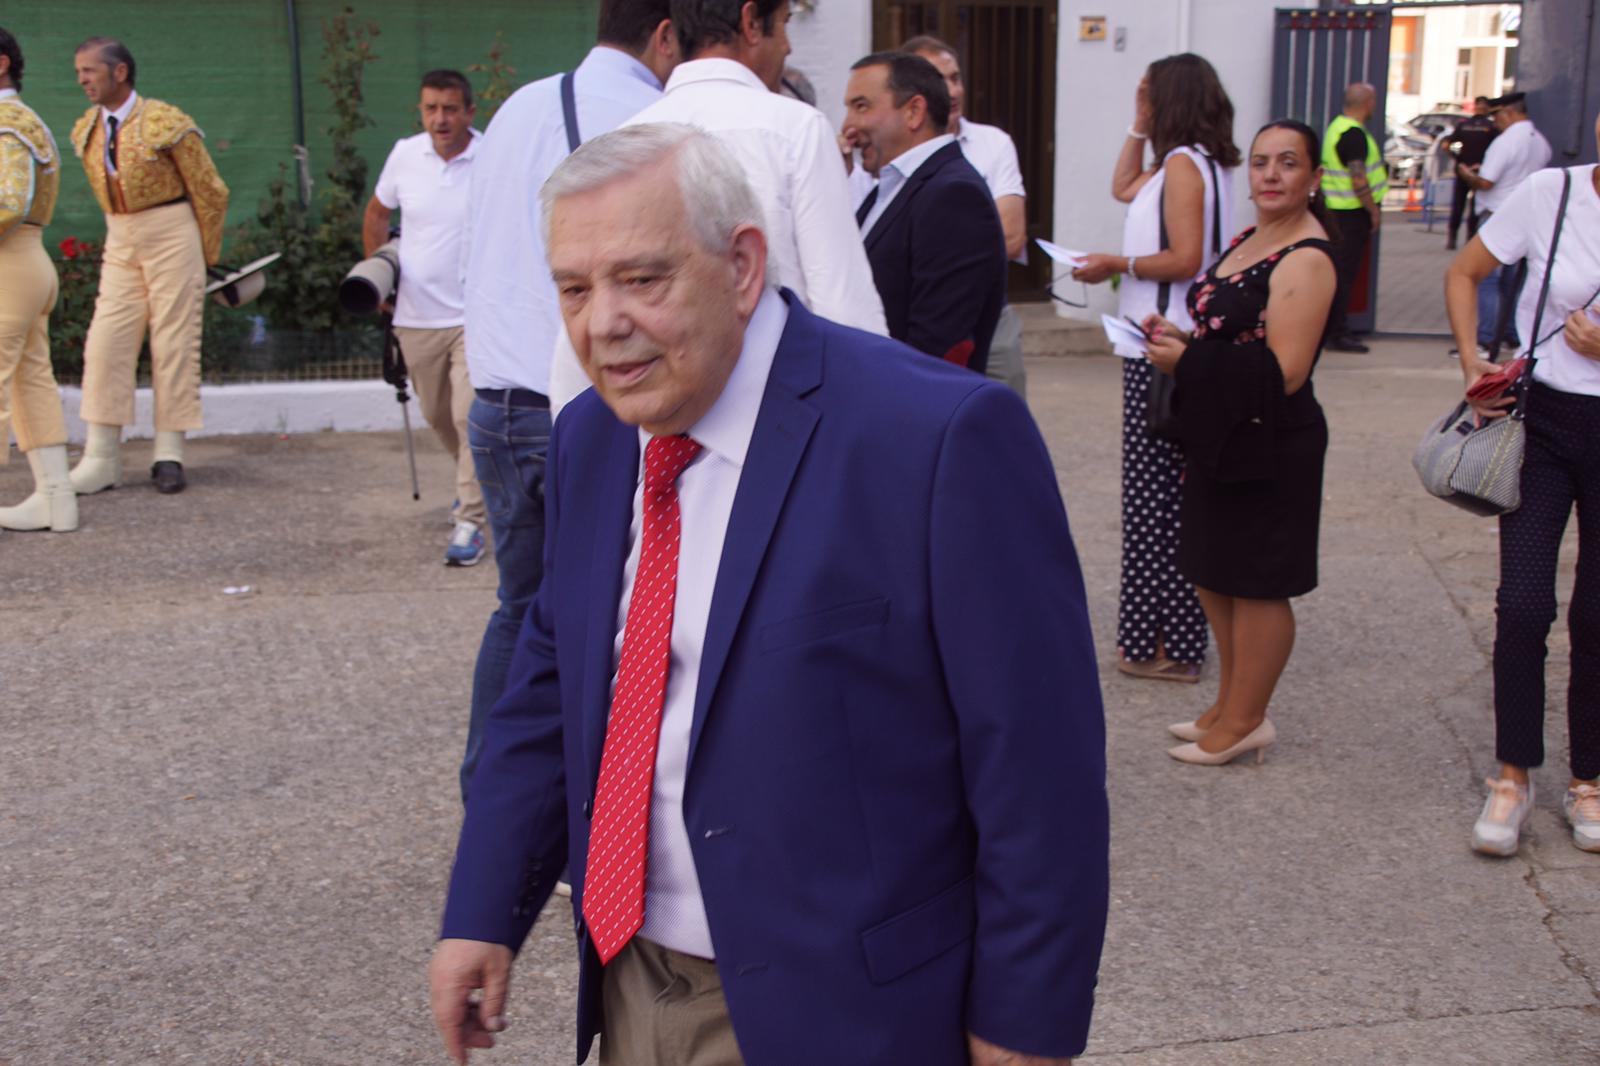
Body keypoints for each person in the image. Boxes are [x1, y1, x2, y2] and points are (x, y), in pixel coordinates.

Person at [428, 123, 1107, 1066]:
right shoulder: (592, 439)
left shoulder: (935, 440)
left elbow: (1039, 777)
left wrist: (1022, 1033)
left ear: (743, 266)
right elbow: (551, 687)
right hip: (629, 984)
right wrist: (484, 908)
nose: (602, 324)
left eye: (643, 278)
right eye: (575, 290)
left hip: (850, 1017)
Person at [455, 0, 678, 802]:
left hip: (494, 401)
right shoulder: (651, 117)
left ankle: (493, 800)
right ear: (662, 36)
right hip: (580, 406)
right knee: (604, 621)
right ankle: (582, 811)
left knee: (522, 610)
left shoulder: (517, 107)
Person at [548, 0, 887, 410]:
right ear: (750, 23)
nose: (788, 47)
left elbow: (586, 311)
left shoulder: (626, 136)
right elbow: (843, 304)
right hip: (779, 412)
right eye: (783, 25)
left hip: (659, 417)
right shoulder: (795, 129)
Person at [1142, 119, 1338, 765]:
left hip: (1273, 439)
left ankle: (1249, 719)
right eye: (1261, 163)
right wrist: (1182, 340)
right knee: (1214, 571)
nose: (1272, 175)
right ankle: (1229, 704)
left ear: (1312, 177)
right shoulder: (1252, 238)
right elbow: (1225, 332)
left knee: (1256, 582)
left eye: (1288, 163)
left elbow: (1285, 371)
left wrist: (1188, 364)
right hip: (1222, 428)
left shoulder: (1306, 256)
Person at [1444, 107, 1600, 857]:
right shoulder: (1552, 193)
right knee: (1525, 603)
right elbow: (1466, 269)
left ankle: (1591, 779)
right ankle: (1513, 774)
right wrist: (1473, 357)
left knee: (1599, 614)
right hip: (1542, 422)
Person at [1070, 54, 1238, 685]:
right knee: (1168, 498)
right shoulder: (1193, 164)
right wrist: (1138, 123)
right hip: (1163, 344)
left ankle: (1162, 647)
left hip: (1163, 347)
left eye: (1149, 96)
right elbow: (1122, 186)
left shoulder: (1184, 168)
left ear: (1171, 98)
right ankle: (1165, 639)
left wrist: (1118, 262)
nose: (1142, 102)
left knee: (1155, 503)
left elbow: (1186, 256)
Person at [66, 37, 228, 496]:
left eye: (89, 71)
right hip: (120, 234)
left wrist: (206, 252)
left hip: (171, 230)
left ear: (119, 73)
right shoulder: (87, 129)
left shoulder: (165, 121)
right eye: (79, 72)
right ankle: (101, 457)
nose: (81, 80)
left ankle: (168, 453)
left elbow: (209, 188)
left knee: (173, 340)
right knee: (105, 340)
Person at [364, 70, 486, 566]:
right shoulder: (404, 155)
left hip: (474, 315)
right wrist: (379, 275)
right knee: (438, 416)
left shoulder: (491, 155)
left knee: (468, 415)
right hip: (414, 315)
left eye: (451, 108)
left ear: (469, 113)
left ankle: (470, 522)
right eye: (431, 108)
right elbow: (376, 213)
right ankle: (475, 484)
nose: (441, 118)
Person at [842, 52, 1006, 373]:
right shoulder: (889, 188)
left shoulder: (953, 195)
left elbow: (939, 348)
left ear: (914, 112)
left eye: (861, 106)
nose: (848, 126)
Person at [898, 34, 1030, 398]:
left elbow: (1013, 236)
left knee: (1004, 422)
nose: (953, 91)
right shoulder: (885, 158)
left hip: (991, 316)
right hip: (918, 320)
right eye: (942, 80)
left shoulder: (994, 143)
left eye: (957, 78)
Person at [0, 27, 76, 534]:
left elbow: (9, 202)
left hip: (9, 263)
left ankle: (56, 499)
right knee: (31, 383)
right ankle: (56, 501)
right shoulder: (26, 120)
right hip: (28, 262)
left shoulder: (7, 121)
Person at [1457, 92, 1552, 358]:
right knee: (1514, 282)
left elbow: (1487, 182)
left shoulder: (1506, 141)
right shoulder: (1539, 142)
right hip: (1528, 219)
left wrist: (1467, 175)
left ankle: (1486, 340)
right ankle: (1510, 334)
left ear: (1508, 113)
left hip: (1498, 216)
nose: (1494, 122)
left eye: (1496, 116)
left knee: (1486, 279)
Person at [1319, 83, 1385, 354]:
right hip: (1349, 214)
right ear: (1368, 102)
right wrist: (1373, 210)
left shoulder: (1337, 128)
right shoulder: (1353, 134)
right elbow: (1358, 178)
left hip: (1338, 212)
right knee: (1343, 276)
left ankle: (1333, 330)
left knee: (1338, 273)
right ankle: (1339, 333)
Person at [1445, 96, 1497, 251]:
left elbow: (1446, 145)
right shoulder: (1491, 127)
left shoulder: (1463, 125)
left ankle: (1452, 239)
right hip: (1479, 171)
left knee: (1458, 204)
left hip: (1462, 170)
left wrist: (1458, 160)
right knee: (1475, 206)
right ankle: (1469, 238)